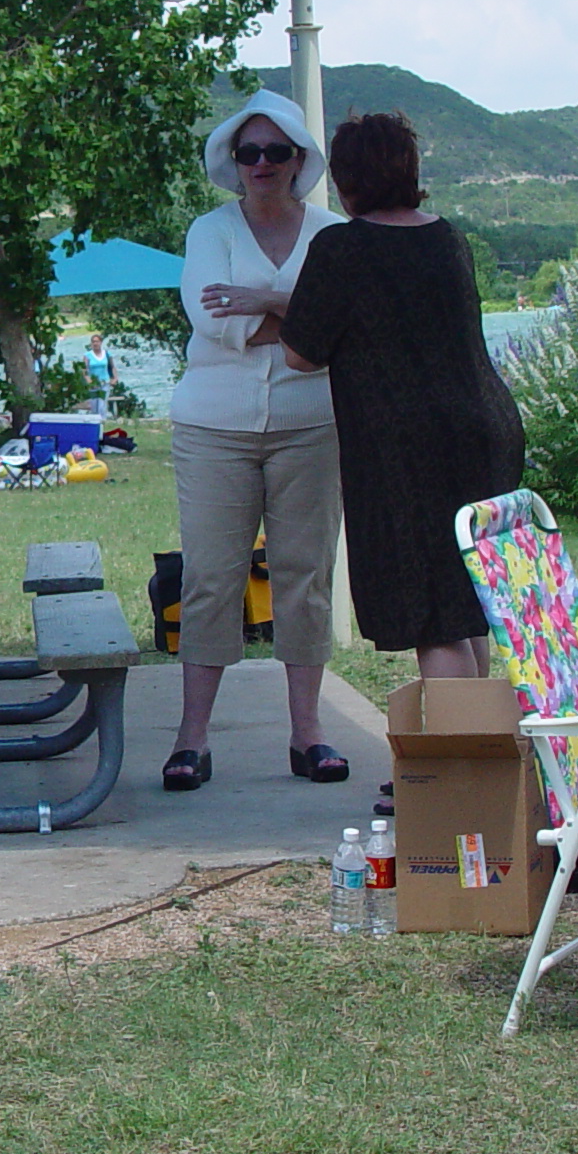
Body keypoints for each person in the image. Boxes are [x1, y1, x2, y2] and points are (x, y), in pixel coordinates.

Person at [281, 110, 525, 680]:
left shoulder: (343, 249)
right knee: (468, 603)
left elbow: (302, 350)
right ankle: (476, 745)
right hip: (486, 428)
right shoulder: (449, 239)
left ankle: (452, 761)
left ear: (345, 181)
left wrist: (269, 305)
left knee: (431, 616)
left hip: (407, 449)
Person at [166, 92, 350, 792]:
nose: (263, 164)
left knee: (306, 577)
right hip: (213, 427)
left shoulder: (333, 233)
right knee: (211, 577)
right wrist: (304, 317)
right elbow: (210, 317)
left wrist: (266, 303)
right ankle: (192, 738)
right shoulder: (208, 231)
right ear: (233, 162)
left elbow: (345, 324)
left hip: (313, 424)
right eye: (250, 153)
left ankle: (310, 735)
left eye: (277, 151)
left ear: (300, 159)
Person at [82, 330, 115, 415]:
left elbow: (112, 367)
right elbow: (84, 370)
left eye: (97, 341)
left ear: (100, 342)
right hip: (93, 383)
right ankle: (94, 423)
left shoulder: (107, 354)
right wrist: (89, 381)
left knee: (102, 405)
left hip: (105, 382)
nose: (95, 343)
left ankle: (102, 423)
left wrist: (115, 378)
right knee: (94, 405)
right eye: (93, 342)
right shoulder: (87, 355)